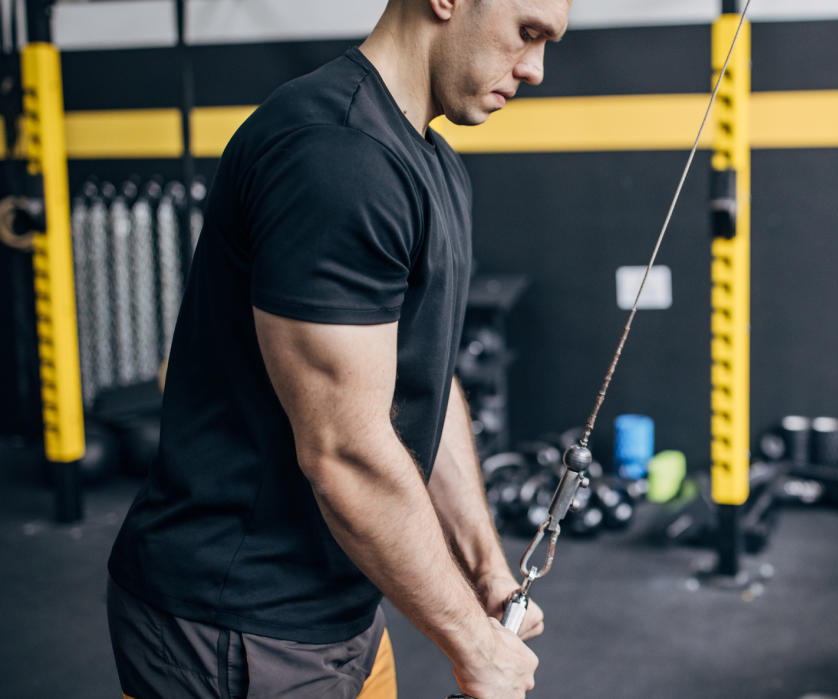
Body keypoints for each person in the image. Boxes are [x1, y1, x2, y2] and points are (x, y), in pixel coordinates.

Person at [106, 1, 571, 697]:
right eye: (527, 32)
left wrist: (488, 570)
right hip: (236, 625)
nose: (535, 68)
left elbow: (425, 384)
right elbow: (344, 450)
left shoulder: (429, 160)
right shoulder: (337, 153)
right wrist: (473, 643)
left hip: (341, 606)